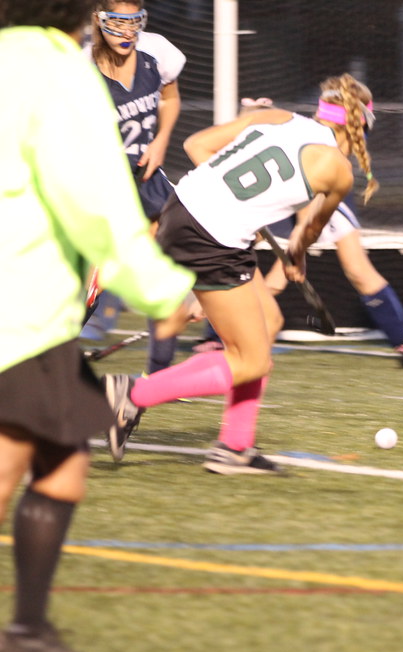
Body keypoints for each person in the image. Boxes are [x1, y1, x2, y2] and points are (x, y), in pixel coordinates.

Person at [0, 1, 195, 652]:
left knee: (64, 462)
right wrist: (164, 290)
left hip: (31, 310)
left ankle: (26, 631)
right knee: (12, 468)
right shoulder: (61, 73)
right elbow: (91, 202)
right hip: (19, 308)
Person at [103, 73, 380, 472]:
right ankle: (133, 393)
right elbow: (309, 232)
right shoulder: (338, 169)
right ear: (358, 129)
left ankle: (235, 446)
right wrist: (295, 256)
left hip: (181, 210)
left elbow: (196, 146)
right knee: (250, 361)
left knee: (268, 321)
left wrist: (235, 203)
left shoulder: (279, 117)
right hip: (211, 238)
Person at [240, 97, 403, 367]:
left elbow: (309, 218)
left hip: (321, 193)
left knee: (357, 269)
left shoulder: (335, 159)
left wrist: (295, 254)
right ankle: (219, 336)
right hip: (289, 188)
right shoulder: (315, 142)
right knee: (247, 260)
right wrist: (295, 256)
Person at [88, 0, 186, 375]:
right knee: (91, 280)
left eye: (135, 23)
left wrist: (161, 140)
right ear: (100, 21)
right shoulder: (81, 68)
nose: (128, 32)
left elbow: (170, 98)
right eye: (118, 23)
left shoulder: (156, 51)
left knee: (165, 269)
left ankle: (157, 375)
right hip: (104, 182)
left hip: (147, 176)